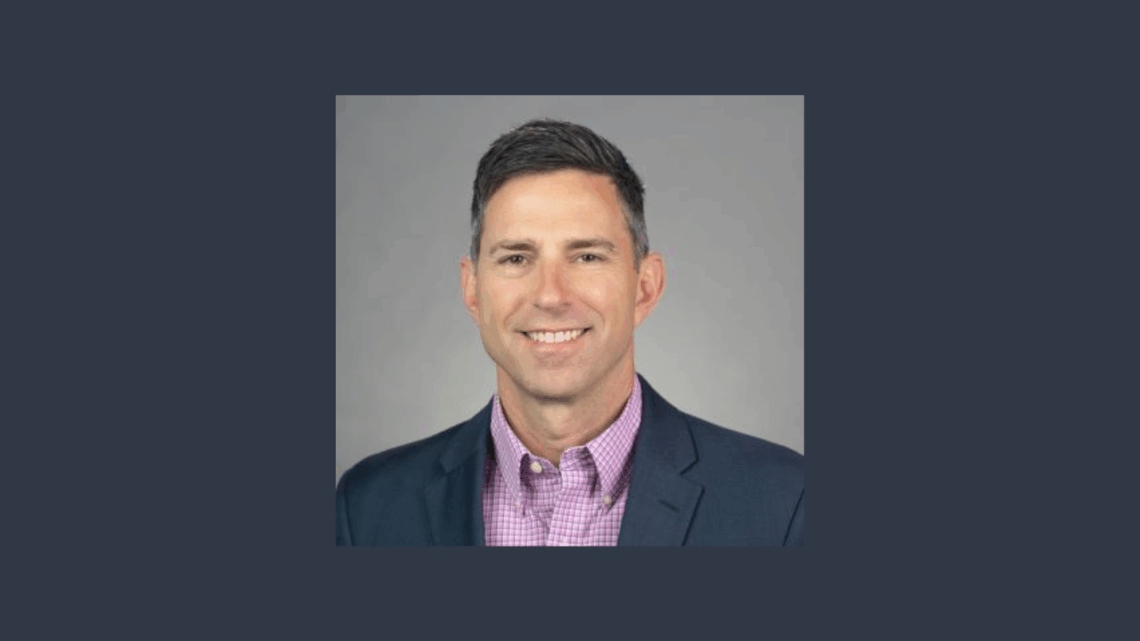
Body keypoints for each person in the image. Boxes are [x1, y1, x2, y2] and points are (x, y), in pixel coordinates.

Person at [336, 119, 803, 546]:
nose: (551, 295)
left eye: (586, 257)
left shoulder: (785, 503)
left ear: (645, 287)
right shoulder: (367, 507)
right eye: (516, 258)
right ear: (473, 291)